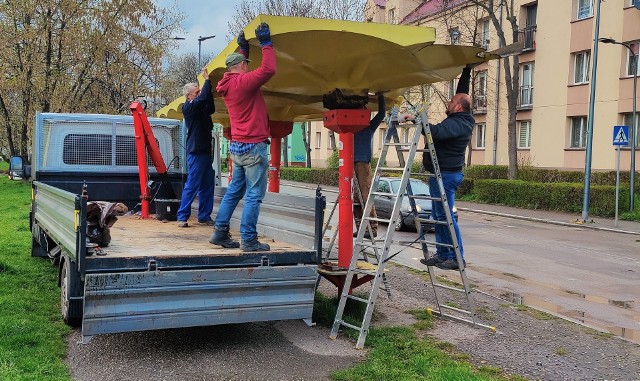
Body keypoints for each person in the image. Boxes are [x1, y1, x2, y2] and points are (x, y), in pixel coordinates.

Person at [209, 22, 276, 251]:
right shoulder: (244, 83)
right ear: (240, 67)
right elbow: (268, 70)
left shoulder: (228, 83)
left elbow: (238, 67)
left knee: (235, 191)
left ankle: (219, 232)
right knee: (254, 195)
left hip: (238, 147)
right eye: (246, 64)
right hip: (253, 147)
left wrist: (243, 49)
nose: (248, 67)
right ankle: (249, 240)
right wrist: (266, 43)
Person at [420, 65, 474, 270]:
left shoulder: (460, 124)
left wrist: (418, 121)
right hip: (439, 174)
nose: (448, 102)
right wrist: (467, 69)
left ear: (459, 107)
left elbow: (436, 132)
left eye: (451, 102)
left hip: (446, 175)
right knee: (439, 216)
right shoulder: (459, 117)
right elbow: (463, 92)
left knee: (446, 217)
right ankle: (443, 253)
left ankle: (457, 257)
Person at [176, 68, 215, 227]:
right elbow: (203, 99)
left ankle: (204, 215)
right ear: (189, 96)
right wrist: (206, 81)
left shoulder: (200, 107)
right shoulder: (188, 108)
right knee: (192, 184)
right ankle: (182, 216)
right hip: (197, 152)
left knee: (207, 185)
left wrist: (207, 89)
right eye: (196, 92)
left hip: (205, 151)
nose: (199, 94)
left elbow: (210, 106)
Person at [353, 92, 385, 239]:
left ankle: (372, 229)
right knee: (356, 199)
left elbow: (382, 113)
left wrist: (381, 97)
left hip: (363, 164)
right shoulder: (352, 127)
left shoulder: (368, 126)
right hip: (351, 164)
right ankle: (360, 227)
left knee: (365, 197)